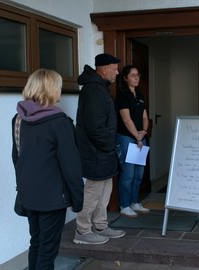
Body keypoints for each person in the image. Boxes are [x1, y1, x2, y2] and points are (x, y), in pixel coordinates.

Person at [12, 69, 84, 270]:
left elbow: (17, 158)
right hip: (52, 199)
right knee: (48, 250)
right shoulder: (60, 123)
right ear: (52, 90)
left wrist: (23, 189)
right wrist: (78, 200)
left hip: (29, 195)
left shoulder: (18, 119)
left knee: (36, 242)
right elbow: (71, 166)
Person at [73, 53, 126, 245]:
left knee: (105, 188)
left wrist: (109, 147)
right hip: (96, 151)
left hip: (104, 151)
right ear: (103, 69)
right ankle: (83, 230)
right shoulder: (94, 90)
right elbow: (94, 127)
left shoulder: (100, 88)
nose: (117, 72)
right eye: (114, 68)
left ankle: (101, 225)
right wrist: (109, 145)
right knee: (94, 190)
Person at [115, 65, 150, 217]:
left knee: (138, 174)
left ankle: (135, 202)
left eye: (138, 75)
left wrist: (144, 131)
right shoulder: (122, 95)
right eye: (133, 75)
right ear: (125, 78)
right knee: (128, 174)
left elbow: (144, 116)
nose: (136, 77)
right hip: (127, 138)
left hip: (140, 138)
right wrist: (137, 136)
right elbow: (126, 119)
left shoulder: (140, 95)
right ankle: (124, 205)